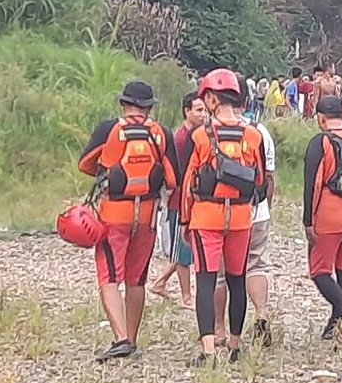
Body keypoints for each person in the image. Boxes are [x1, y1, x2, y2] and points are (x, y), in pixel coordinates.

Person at [78, 80, 179, 361]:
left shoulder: (109, 129)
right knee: (137, 280)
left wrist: (107, 170)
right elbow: (172, 178)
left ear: (123, 104)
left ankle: (121, 338)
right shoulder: (161, 133)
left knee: (109, 276)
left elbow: (85, 163)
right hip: (147, 215)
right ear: (148, 107)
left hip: (114, 213)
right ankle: (131, 339)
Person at [178, 68, 266, 367]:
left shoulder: (200, 135)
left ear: (212, 99)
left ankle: (208, 350)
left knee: (205, 280)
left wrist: (184, 220)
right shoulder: (253, 135)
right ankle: (236, 344)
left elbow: (188, 179)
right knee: (237, 279)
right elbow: (260, 181)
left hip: (207, 217)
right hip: (241, 218)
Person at [213, 82, 276, 349]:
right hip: (256, 210)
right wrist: (265, 207)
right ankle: (260, 312)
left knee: (220, 273)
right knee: (256, 265)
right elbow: (268, 177)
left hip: (219, 212)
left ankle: (218, 328)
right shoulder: (259, 132)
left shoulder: (210, 131)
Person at [303, 96, 342, 339]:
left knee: (319, 270)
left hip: (328, 213)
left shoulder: (321, 142)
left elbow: (313, 183)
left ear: (321, 118)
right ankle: (336, 325)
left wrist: (308, 220)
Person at [149, 91, 206, 307]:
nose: (203, 115)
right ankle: (186, 296)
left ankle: (160, 283)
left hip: (189, 199)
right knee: (182, 250)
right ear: (187, 111)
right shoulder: (182, 138)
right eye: (198, 110)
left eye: (204, 110)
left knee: (183, 248)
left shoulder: (196, 135)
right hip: (180, 201)